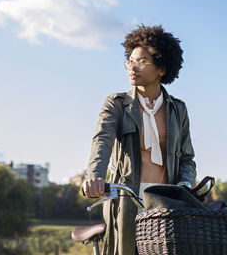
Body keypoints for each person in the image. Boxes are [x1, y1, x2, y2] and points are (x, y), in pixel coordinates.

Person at [82, 25, 197, 255]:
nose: (132, 67)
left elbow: (187, 158)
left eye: (142, 62)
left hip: (167, 203)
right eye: (130, 61)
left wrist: (186, 184)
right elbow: (102, 141)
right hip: (127, 199)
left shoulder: (178, 110)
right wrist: (94, 176)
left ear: (161, 68)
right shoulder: (117, 104)